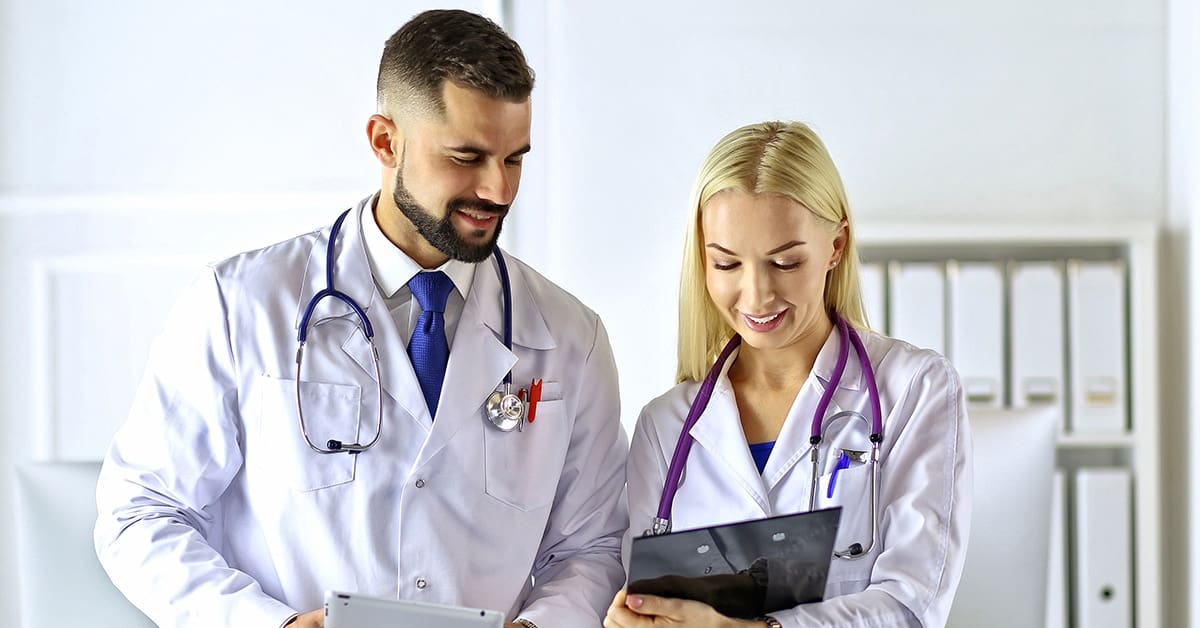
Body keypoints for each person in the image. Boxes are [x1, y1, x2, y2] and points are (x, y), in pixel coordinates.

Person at [94, 10, 628, 628]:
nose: (498, 190)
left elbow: (592, 548)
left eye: (514, 159)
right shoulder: (240, 303)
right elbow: (140, 513)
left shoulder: (570, 337)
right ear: (384, 141)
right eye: (467, 157)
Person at [606, 121, 971, 627]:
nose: (756, 296)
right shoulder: (666, 427)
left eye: (784, 263)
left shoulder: (913, 389)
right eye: (728, 265)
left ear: (836, 246)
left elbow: (911, 605)